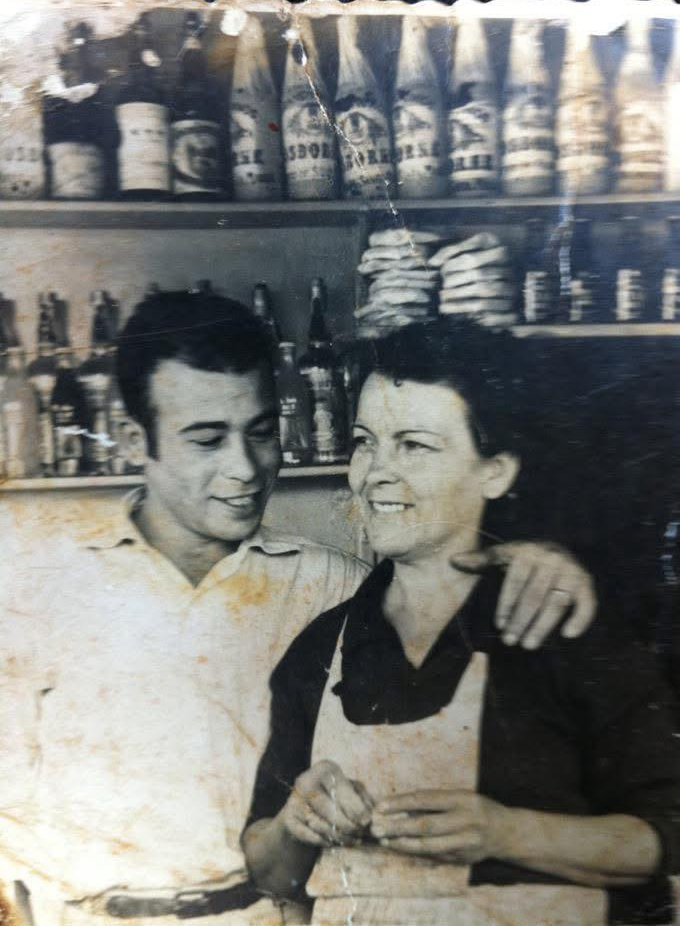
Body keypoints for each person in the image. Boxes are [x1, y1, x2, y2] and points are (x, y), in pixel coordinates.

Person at [1, 292, 595, 926]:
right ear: (130, 438)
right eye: (207, 440)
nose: (246, 468)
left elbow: (447, 577)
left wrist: (534, 558)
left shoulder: (332, 586)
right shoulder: (42, 597)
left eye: (260, 433)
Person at [243, 317, 680, 926]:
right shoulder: (322, 647)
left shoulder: (568, 628)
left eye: (414, 446)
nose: (376, 474)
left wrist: (507, 832)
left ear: (496, 471)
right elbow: (270, 870)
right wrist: (296, 820)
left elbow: (666, 837)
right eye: (366, 441)